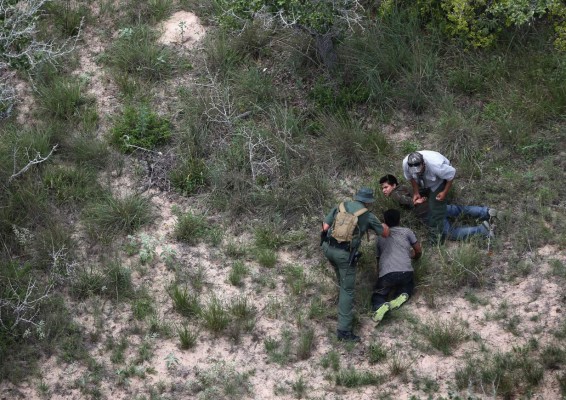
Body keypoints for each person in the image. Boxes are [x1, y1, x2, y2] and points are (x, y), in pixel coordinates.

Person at [321, 187, 390, 342]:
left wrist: (324, 243)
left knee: (342, 280)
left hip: (328, 249)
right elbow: (385, 233)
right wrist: (384, 225)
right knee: (348, 290)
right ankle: (344, 331)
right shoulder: (368, 215)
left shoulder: (341, 205)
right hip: (345, 255)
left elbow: (325, 226)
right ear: (368, 202)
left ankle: (341, 301)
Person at [379, 174, 499, 240]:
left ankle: (482, 230)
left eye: (385, 187)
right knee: (459, 210)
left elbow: (402, 199)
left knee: (449, 233)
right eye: (382, 188)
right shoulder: (407, 187)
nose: (384, 190)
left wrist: (413, 202)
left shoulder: (395, 194)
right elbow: (424, 189)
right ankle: (486, 212)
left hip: (427, 213)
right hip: (434, 205)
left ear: (394, 185)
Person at [371, 209, 422, 325]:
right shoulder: (407, 232)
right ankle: (402, 295)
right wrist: (414, 257)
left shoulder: (379, 237)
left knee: (378, 294)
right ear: (399, 220)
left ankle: (380, 305)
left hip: (387, 274)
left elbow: (378, 260)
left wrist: (378, 277)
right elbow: (418, 250)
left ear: (384, 221)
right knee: (407, 287)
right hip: (406, 272)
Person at [402, 151, 456, 244]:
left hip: (438, 181)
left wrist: (444, 192)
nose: (416, 172)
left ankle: (436, 240)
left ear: (424, 163)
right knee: (415, 201)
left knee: (435, 211)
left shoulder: (437, 166)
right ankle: (480, 211)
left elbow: (451, 175)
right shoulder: (406, 163)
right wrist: (416, 192)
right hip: (424, 181)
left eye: (419, 170)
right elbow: (411, 177)